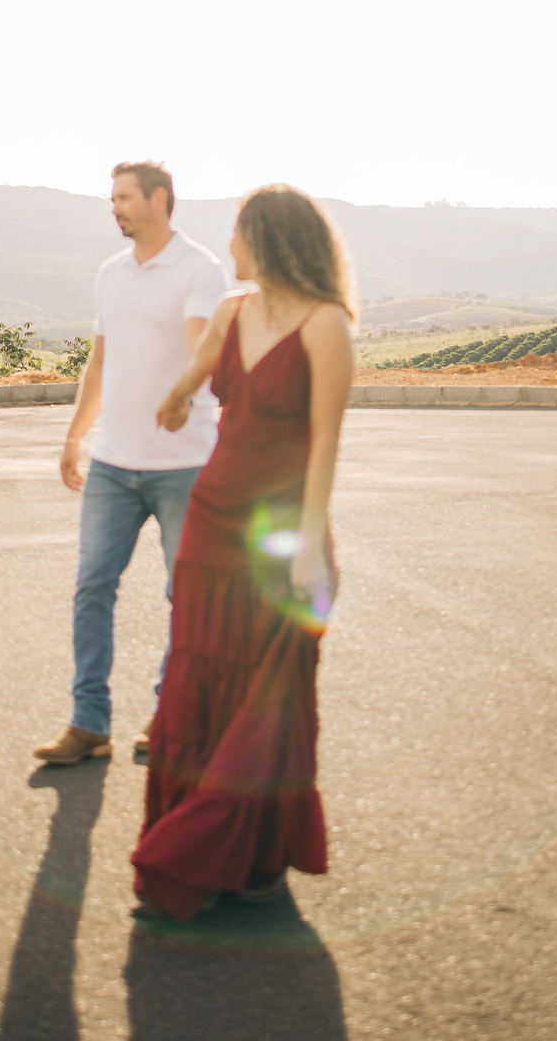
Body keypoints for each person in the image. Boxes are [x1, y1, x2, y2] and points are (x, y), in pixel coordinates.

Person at [130, 183, 355, 919]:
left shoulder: (326, 325)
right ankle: (203, 849)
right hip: (215, 521)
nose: (229, 246)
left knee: (273, 690)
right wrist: (174, 399)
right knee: (199, 676)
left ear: (271, 241)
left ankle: (250, 853)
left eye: (238, 232)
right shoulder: (231, 311)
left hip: (284, 532)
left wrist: (309, 548)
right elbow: (195, 377)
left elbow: (325, 442)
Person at [33, 161, 228, 767]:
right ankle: (88, 723)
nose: (113, 207)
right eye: (112, 197)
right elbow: (100, 362)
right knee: (92, 586)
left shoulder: (200, 269)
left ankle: (172, 716)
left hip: (183, 464)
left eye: (123, 197)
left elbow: (199, 345)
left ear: (159, 199)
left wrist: (184, 394)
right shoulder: (111, 273)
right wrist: (75, 436)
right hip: (113, 464)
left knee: (186, 595)